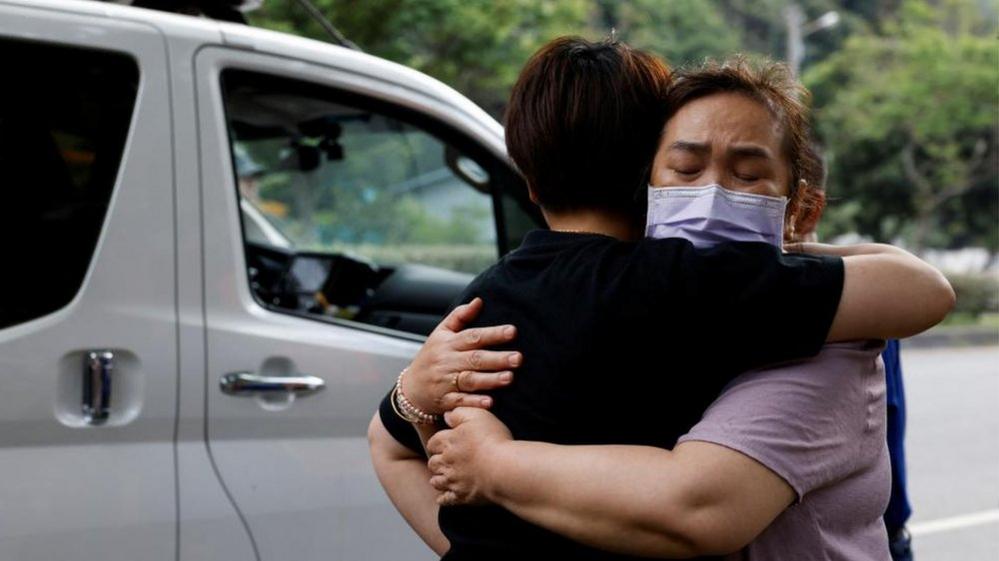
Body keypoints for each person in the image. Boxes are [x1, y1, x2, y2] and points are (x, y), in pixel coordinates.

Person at [368, 40, 954, 560]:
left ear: (529, 180)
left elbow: (388, 445)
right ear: (643, 175)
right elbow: (922, 292)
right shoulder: (680, 283)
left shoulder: (481, 300)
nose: (712, 194)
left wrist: (416, 405)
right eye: (686, 167)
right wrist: (786, 259)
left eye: (747, 175)